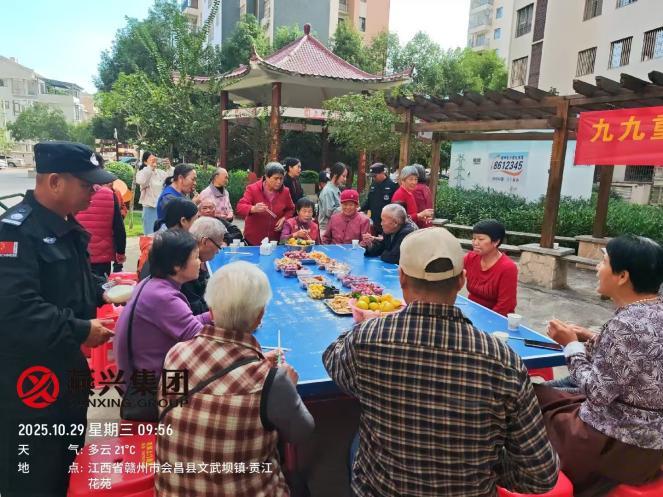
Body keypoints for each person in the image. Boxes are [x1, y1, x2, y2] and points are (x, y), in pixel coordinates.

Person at [323, 228, 559, 497]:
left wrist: (369, 325)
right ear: (462, 281)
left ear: (401, 277)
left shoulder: (367, 339)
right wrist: (487, 464)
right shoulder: (504, 360)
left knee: (355, 440)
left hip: (381, 490)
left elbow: (333, 359)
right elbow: (541, 476)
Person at [0, 141, 115, 497]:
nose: (94, 193)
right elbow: (16, 310)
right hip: (30, 382)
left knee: (68, 460)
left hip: (67, 370)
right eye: (86, 185)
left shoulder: (66, 226)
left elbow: (70, 280)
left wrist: (103, 291)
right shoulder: (15, 232)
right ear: (54, 182)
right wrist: (81, 329)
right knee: (35, 473)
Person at [156, 261, 314, 496]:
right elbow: (301, 432)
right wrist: (288, 389)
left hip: (170, 490)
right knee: (301, 485)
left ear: (210, 310)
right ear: (260, 316)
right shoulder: (270, 381)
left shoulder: (176, 354)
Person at [536, 235, 663, 495]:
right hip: (652, 445)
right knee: (548, 392)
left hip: (616, 446)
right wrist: (593, 337)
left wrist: (571, 345)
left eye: (604, 262)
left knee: (530, 402)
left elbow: (596, 393)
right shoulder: (653, 312)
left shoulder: (626, 324)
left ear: (622, 276)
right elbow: (635, 358)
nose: (597, 267)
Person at [115, 229, 212, 381]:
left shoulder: (153, 283)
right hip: (149, 383)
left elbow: (187, 324)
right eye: (196, 257)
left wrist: (216, 315)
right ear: (177, 265)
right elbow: (201, 340)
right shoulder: (163, 297)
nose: (200, 262)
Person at [76, 156, 127, 277]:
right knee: (102, 286)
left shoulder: (71, 194)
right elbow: (119, 228)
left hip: (78, 257)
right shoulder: (110, 195)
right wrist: (120, 253)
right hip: (102, 259)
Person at [464, 220, 518, 316]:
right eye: (474, 238)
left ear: (496, 242)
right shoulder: (470, 258)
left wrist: (486, 320)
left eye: (480, 239)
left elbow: (506, 305)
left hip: (495, 317)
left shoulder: (508, 268)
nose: (475, 243)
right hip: (471, 310)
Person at [137, 198, 199, 279]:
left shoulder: (171, 241)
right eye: (196, 220)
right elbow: (145, 278)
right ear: (183, 221)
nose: (198, 225)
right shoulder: (160, 245)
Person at [236, 162, 295, 245]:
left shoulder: (285, 191)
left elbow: (291, 209)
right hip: (254, 239)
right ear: (267, 177)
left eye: (281, 179)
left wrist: (284, 218)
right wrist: (253, 208)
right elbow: (240, 207)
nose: (279, 182)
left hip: (275, 240)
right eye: (276, 178)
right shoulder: (253, 189)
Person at [181, 216, 227, 314]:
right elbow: (196, 310)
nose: (218, 251)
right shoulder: (186, 265)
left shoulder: (188, 251)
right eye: (218, 246)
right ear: (205, 241)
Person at [155, 164, 198, 229]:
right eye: (193, 179)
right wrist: (193, 203)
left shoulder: (181, 194)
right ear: (180, 178)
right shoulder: (168, 197)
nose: (195, 183)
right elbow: (178, 218)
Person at [135, 151, 168, 235]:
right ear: (145, 162)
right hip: (149, 208)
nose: (154, 161)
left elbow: (171, 180)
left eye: (155, 159)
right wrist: (150, 167)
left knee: (162, 235)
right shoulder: (142, 172)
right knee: (150, 235)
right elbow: (142, 181)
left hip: (161, 207)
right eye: (151, 159)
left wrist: (169, 167)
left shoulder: (160, 172)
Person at [361, 162, 396, 235]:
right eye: (372, 176)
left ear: (382, 173)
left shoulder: (392, 185)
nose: (373, 178)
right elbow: (369, 201)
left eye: (375, 176)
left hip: (386, 223)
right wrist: (359, 209)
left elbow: (395, 206)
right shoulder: (373, 185)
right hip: (375, 222)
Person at [318, 162, 347, 232]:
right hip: (327, 230)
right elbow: (330, 213)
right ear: (335, 175)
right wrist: (347, 207)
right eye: (343, 176)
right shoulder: (328, 190)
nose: (345, 179)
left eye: (346, 176)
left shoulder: (335, 188)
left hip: (334, 228)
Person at [412, 164, 433, 228]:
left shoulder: (416, 189)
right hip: (427, 222)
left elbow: (419, 209)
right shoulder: (425, 187)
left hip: (420, 224)